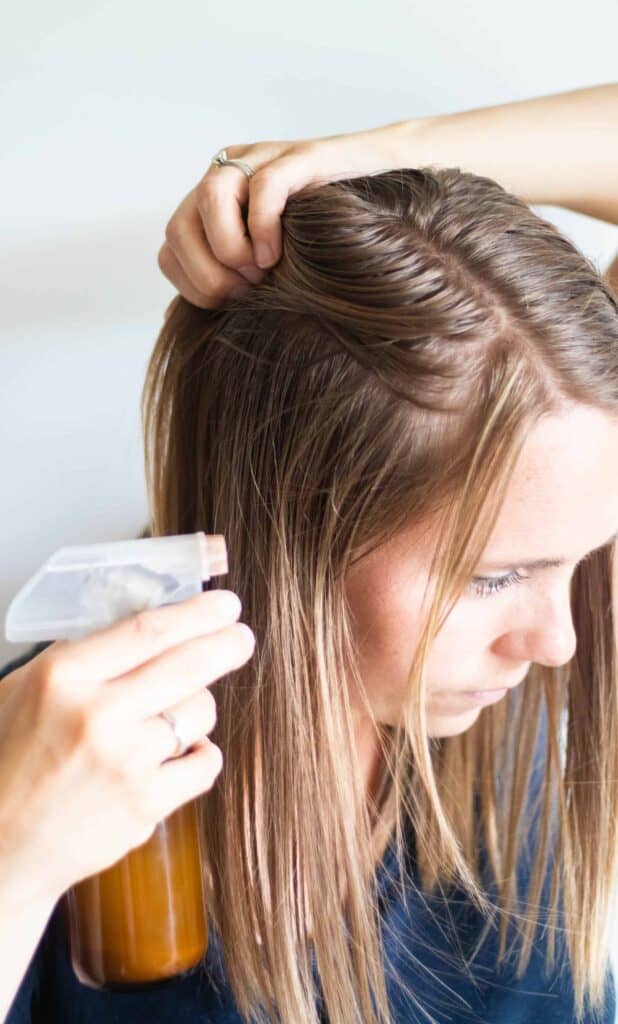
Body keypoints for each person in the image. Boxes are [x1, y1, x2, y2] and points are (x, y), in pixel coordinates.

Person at [2, 83, 618, 1024]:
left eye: (579, 559)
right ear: (298, 519)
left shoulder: (477, 725)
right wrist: (15, 856)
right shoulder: (49, 760)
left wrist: (367, 155)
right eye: (494, 576)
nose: (555, 645)